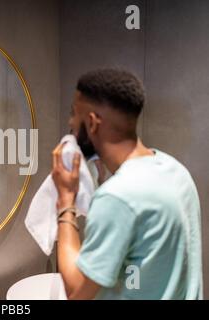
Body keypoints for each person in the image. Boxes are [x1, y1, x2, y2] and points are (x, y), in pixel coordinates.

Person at [52, 68, 203, 299]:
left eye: (74, 114)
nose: (71, 124)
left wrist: (65, 202)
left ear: (92, 123)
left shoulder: (117, 197)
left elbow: (76, 292)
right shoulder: (175, 171)